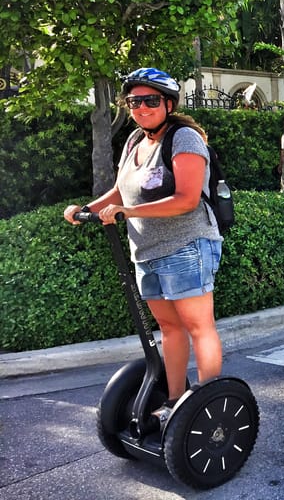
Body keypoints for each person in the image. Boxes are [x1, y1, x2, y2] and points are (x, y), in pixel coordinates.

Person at [63, 68, 223, 422]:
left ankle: (209, 404)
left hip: (186, 246)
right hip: (145, 252)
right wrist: (87, 210)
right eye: (134, 101)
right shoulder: (135, 140)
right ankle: (176, 401)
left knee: (199, 327)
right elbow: (121, 191)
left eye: (150, 100)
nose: (141, 107)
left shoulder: (184, 139)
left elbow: (186, 199)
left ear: (168, 103)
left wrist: (127, 211)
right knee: (169, 328)